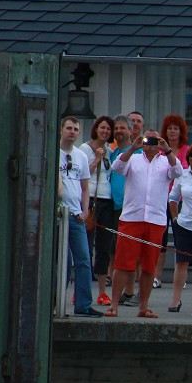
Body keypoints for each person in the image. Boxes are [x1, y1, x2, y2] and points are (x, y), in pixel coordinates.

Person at [106, 129, 183, 318]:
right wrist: (133, 147)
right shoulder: (134, 158)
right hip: (132, 218)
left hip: (155, 220)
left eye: (154, 140)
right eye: (148, 139)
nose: (150, 143)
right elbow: (116, 167)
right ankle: (114, 305)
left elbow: (178, 171)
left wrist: (168, 150)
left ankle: (143, 307)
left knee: (149, 266)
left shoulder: (166, 161)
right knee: (123, 264)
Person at [58, 116, 102, 318]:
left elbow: (85, 187)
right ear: (61, 129)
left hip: (76, 215)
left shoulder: (81, 156)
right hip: (57, 214)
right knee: (62, 262)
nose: (72, 132)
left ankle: (83, 305)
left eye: (76, 129)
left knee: (84, 259)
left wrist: (85, 211)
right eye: (69, 128)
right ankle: (55, 303)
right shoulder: (53, 152)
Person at [78, 115, 116, 306]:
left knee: (104, 247)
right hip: (90, 200)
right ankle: (81, 290)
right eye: (103, 128)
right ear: (96, 129)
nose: (105, 132)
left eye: (109, 129)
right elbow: (84, 174)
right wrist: (97, 158)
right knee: (85, 247)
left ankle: (102, 292)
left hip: (106, 200)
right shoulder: (85, 148)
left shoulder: (110, 151)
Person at [166, 143, 192, 312]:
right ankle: (175, 301)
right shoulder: (182, 174)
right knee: (181, 262)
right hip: (186, 223)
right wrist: (175, 218)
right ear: (188, 157)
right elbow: (173, 198)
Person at [151, 114, 190, 289]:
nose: (172, 132)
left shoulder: (188, 151)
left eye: (176, 128)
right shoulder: (158, 151)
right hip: (160, 198)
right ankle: (156, 277)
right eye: (169, 128)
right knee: (161, 239)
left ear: (181, 132)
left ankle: (180, 277)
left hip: (180, 200)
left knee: (181, 238)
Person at [108, 116, 137, 306]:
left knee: (129, 251)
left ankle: (130, 292)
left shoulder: (136, 152)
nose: (119, 131)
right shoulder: (114, 152)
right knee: (114, 249)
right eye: (116, 128)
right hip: (113, 205)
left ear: (130, 130)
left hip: (128, 206)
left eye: (123, 128)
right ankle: (117, 288)